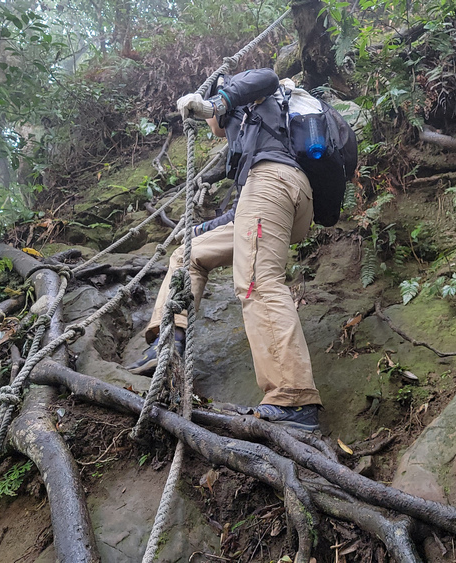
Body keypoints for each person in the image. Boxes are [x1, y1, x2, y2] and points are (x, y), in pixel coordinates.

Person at [127, 68, 322, 432]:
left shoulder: (256, 98)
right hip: (278, 196)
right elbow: (246, 210)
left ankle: (294, 399)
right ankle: (171, 344)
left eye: (212, 114)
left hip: (274, 185)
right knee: (189, 254)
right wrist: (202, 228)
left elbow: (265, 75)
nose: (210, 122)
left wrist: (215, 100)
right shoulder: (250, 132)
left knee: (257, 282)